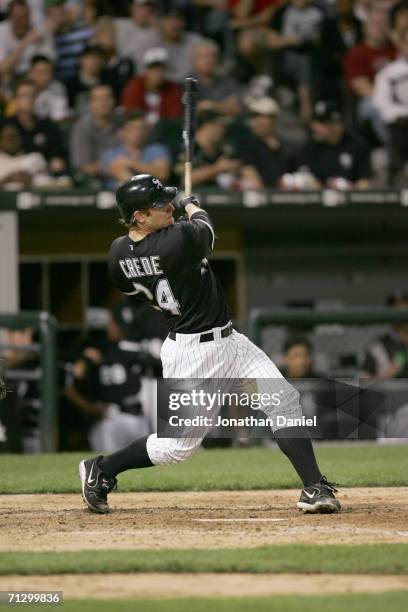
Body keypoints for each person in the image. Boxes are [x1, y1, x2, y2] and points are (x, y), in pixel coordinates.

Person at [79, 173, 341, 515]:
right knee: (176, 448)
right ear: (139, 216)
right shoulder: (176, 240)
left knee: (284, 402)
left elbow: (132, 286)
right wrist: (192, 204)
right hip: (195, 354)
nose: (168, 206)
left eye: (169, 201)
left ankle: (314, 487)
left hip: (230, 341)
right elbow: (206, 229)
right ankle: (102, 469)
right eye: (160, 204)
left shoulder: (117, 253)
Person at [343, 6, 396, 145]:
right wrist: (390, 102)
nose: (379, 28)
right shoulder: (356, 53)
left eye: (383, 24)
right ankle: (395, 150)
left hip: (399, 98)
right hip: (371, 101)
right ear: (364, 28)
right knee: (374, 106)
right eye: (374, 24)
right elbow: (362, 87)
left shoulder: (397, 49)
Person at [294, 100, 372, 189]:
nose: (314, 127)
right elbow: (307, 180)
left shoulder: (357, 146)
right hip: (316, 201)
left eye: (322, 123)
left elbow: (364, 182)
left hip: (350, 199)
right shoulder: (307, 148)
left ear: (338, 125)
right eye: (314, 121)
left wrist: (348, 190)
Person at [6, 79, 67, 177]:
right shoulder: (5, 125)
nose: (29, 99)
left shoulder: (48, 126)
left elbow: (57, 158)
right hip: (12, 176)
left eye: (32, 96)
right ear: (15, 99)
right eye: (24, 96)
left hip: (43, 176)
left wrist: (56, 162)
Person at [99, 111, 171, 189]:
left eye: (142, 128)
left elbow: (162, 174)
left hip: (154, 198)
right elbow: (117, 171)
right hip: (117, 197)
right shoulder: (111, 154)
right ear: (122, 132)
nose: (138, 132)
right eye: (133, 129)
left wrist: (131, 163)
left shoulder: (157, 149)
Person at [373, 26, 408, 181]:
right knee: (395, 127)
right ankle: (397, 173)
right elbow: (381, 103)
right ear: (400, 44)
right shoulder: (388, 72)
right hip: (398, 124)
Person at [239, 96, 295, 189]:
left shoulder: (288, 148)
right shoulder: (246, 145)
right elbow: (250, 176)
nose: (258, 122)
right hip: (261, 198)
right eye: (254, 117)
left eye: (263, 117)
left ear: (274, 120)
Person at [69, 84, 122, 182]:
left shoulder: (122, 124)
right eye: (99, 99)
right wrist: (112, 167)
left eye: (108, 97)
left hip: (123, 174)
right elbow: (83, 166)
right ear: (90, 104)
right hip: (96, 181)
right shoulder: (82, 127)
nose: (104, 102)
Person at [121, 47, 182, 124]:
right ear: (146, 70)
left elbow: (174, 119)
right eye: (153, 68)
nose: (157, 73)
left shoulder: (172, 89)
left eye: (160, 68)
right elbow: (130, 116)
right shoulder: (134, 86)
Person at [0, 0, 55, 80]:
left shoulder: (40, 30)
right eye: (18, 18)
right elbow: (2, 69)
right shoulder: (1, 32)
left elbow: (49, 65)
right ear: (10, 17)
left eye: (25, 17)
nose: (23, 22)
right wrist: (26, 42)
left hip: (36, 79)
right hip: (11, 81)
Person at [192, 39, 241, 117]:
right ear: (194, 60)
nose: (208, 60)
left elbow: (235, 108)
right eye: (203, 56)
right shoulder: (187, 83)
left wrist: (209, 105)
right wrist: (222, 106)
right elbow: (192, 112)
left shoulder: (228, 82)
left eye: (212, 56)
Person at [28, 54, 69, 121]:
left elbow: (58, 116)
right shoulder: (23, 88)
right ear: (31, 73)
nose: (45, 77)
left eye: (48, 72)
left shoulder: (58, 88)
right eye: (41, 72)